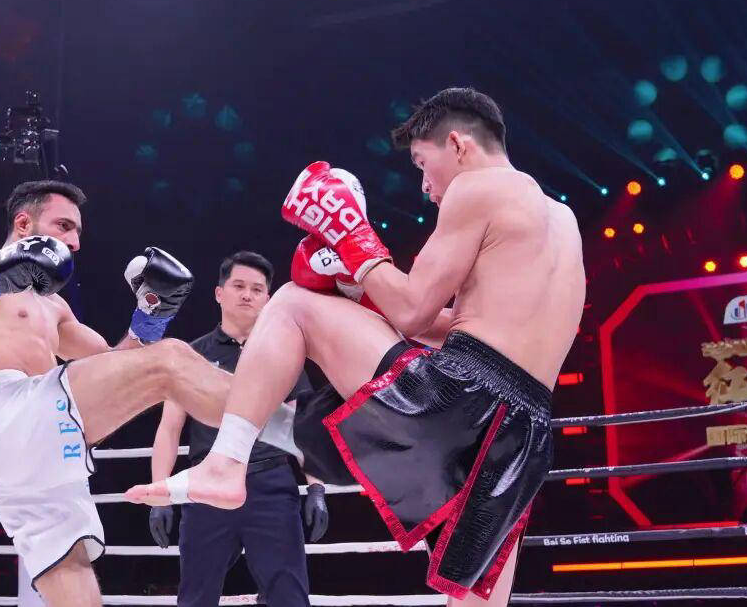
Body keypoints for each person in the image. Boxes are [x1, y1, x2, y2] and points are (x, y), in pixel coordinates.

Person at [126, 87, 586, 607]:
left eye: (422, 163)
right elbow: (464, 327)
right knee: (478, 603)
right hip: (525, 435)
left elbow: (412, 311)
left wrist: (354, 240)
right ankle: (285, 435)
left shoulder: (476, 188)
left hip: (460, 399)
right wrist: (359, 295)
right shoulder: (562, 221)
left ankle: (227, 462)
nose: (425, 186)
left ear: (458, 144)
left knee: (292, 302)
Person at [0, 180, 236, 607]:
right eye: (64, 226)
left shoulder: (55, 307)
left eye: (78, 232)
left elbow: (115, 369)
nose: (74, 242)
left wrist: (150, 315)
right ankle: (284, 426)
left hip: (43, 450)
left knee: (71, 568)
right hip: (5, 414)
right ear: (23, 224)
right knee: (171, 360)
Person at [148, 251, 328, 607]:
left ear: (268, 298)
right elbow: (169, 428)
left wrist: (317, 487)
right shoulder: (192, 357)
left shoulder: (285, 354)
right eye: (239, 286)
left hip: (271, 485)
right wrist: (159, 495)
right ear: (219, 293)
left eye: (257, 289)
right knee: (196, 596)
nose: (247, 295)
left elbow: (302, 427)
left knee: (289, 597)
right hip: (206, 487)